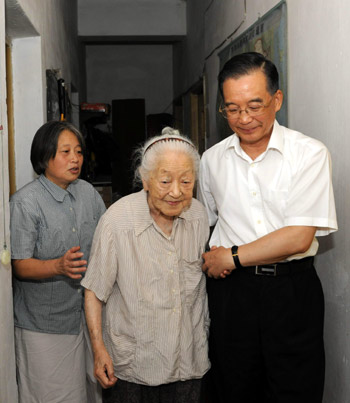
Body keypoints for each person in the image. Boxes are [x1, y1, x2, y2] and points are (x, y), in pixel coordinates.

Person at [198, 52, 337, 403]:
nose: (244, 118)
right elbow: (212, 219)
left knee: (295, 389)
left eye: (254, 105)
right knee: (233, 388)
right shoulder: (212, 160)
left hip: (292, 292)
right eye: (232, 108)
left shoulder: (309, 154)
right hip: (233, 296)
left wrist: (230, 256)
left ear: (277, 100)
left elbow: (298, 235)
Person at [81, 127, 210, 403]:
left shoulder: (198, 216)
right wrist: (98, 348)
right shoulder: (117, 220)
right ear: (145, 179)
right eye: (165, 181)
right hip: (133, 367)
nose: (176, 192)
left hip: (186, 361)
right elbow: (93, 290)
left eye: (186, 182)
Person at [10, 121, 106, 402]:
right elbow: (20, 264)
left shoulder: (88, 193)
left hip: (87, 317)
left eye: (78, 151)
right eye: (66, 152)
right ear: (44, 156)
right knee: (52, 396)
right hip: (44, 324)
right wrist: (58, 266)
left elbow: (106, 239)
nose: (75, 158)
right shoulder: (25, 203)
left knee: (91, 393)